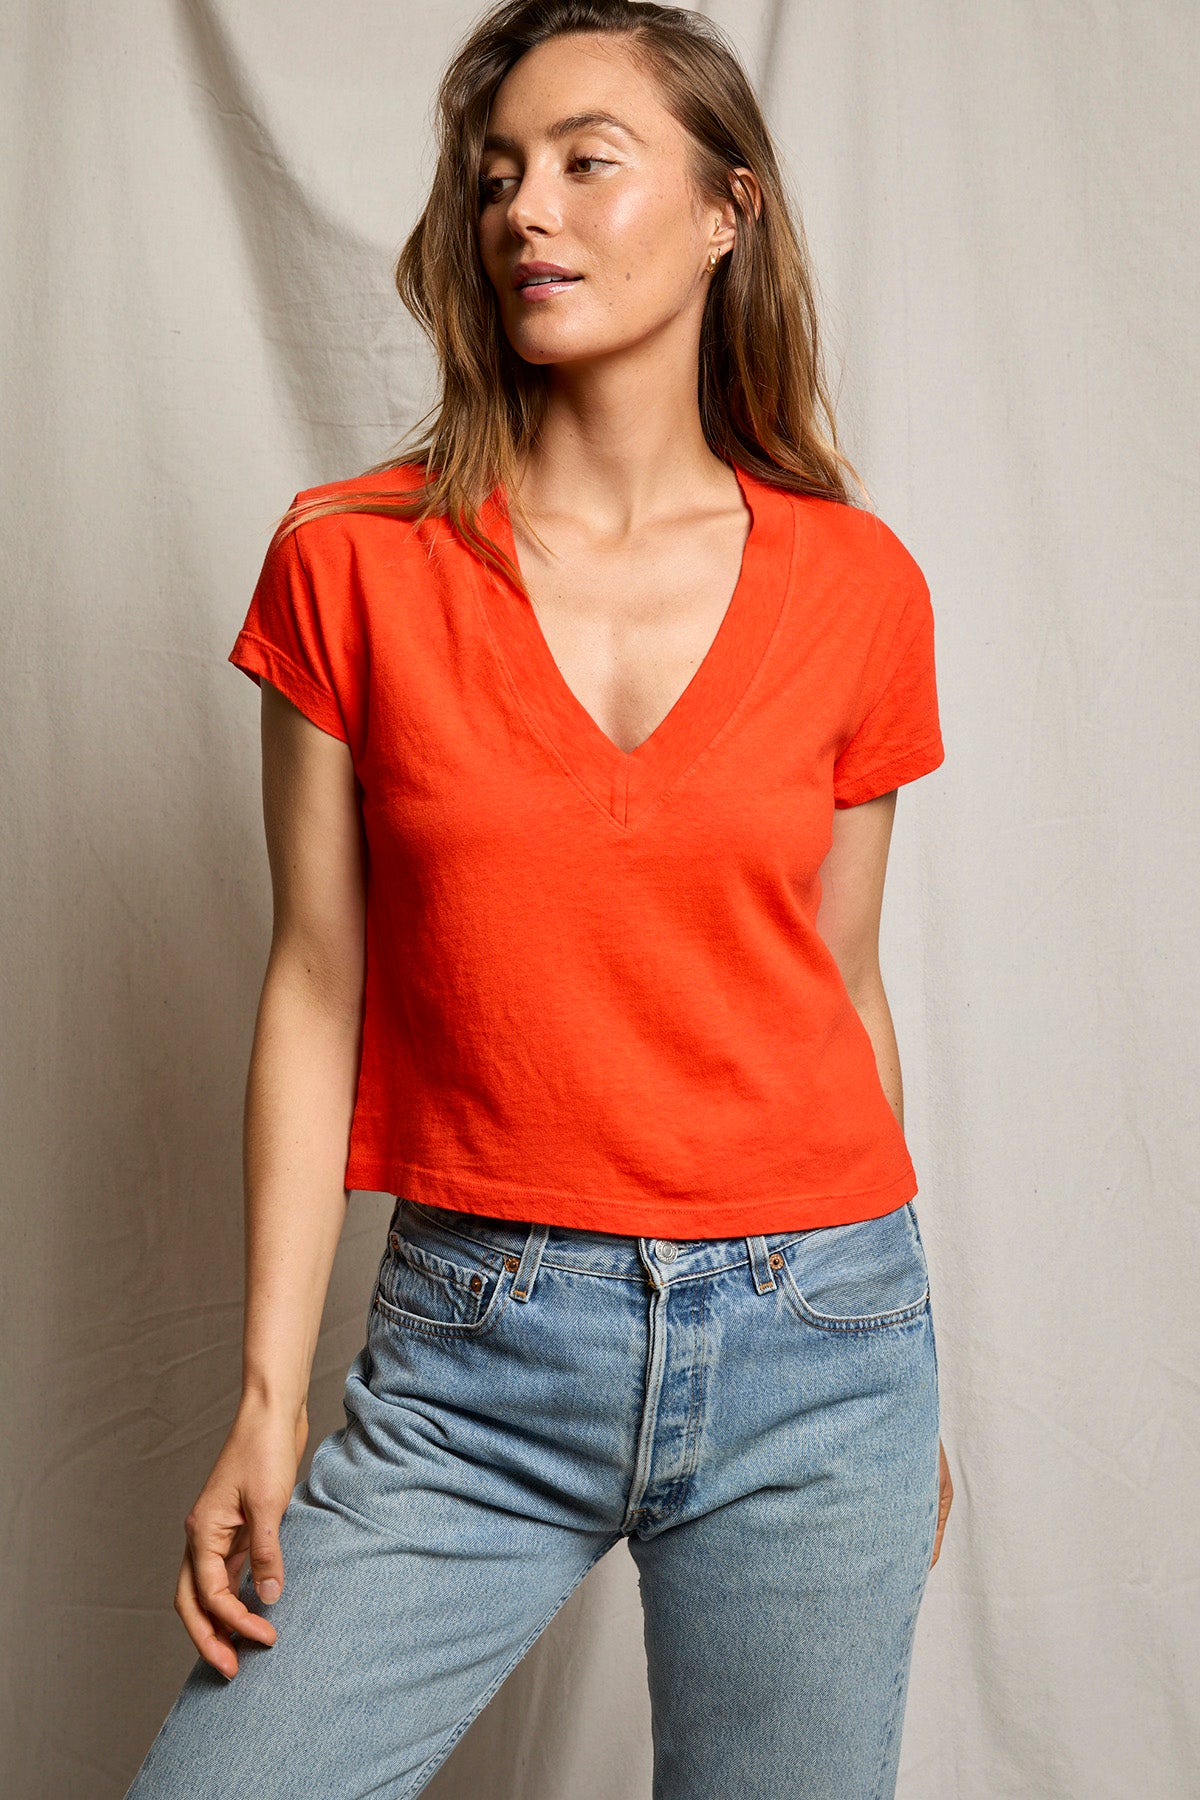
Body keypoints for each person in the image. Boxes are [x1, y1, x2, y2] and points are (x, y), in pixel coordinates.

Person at [124, 1, 954, 1794]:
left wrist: (894, 1369)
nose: (526, 209)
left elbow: (840, 985)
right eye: (499, 172)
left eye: (590, 159)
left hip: (826, 1342)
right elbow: (314, 984)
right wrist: (268, 1396)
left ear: (727, 208)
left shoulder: (861, 586)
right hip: (482, 1350)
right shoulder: (351, 560)